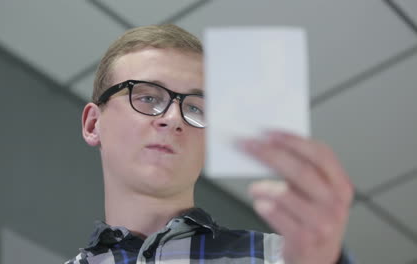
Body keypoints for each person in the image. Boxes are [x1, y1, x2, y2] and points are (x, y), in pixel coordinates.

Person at [66, 24, 354, 264]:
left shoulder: (281, 257)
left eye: (195, 108)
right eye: (148, 97)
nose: (173, 118)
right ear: (93, 124)